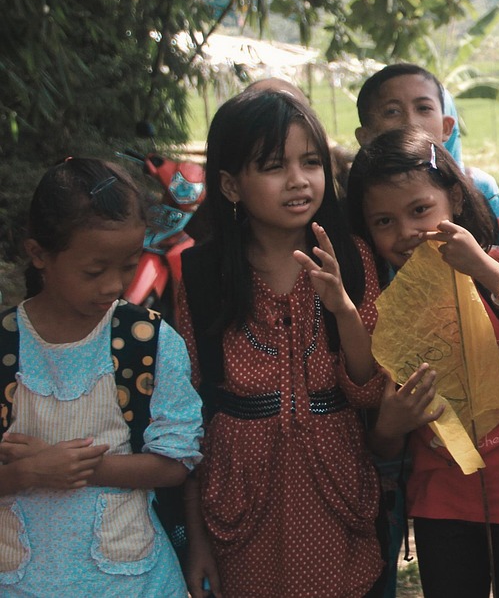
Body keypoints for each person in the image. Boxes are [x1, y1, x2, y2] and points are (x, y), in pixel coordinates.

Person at [175, 88, 388, 597]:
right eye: (274, 166)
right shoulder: (203, 276)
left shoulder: (352, 258)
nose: (298, 180)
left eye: (310, 162)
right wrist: (196, 539)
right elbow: (184, 417)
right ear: (230, 185)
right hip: (238, 504)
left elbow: (368, 389)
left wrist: (343, 309)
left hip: (337, 494)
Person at [347, 127, 499, 597]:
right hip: (439, 504)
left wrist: (484, 269)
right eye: (383, 221)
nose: (406, 233)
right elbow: (384, 444)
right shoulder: (382, 309)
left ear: (456, 200)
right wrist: (390, 426)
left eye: (419, 210)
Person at [0, 158, 202, 596]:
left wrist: (76, 469)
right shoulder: (7, 343)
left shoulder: (147, 341)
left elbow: (176, 462)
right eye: (94, 271)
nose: (114, 285)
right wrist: (28, 473)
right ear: (39, 254)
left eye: (129, 265)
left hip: (135, 582)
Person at [356, 63, 499, 246]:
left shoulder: (478, 188)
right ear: (365, 137)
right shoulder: (358, 195)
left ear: (446, 127)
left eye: (423, 108)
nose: (411, 122)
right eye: (392, 112)